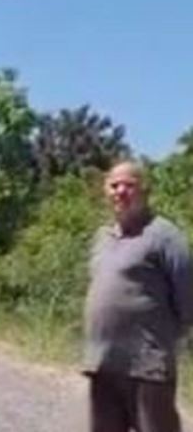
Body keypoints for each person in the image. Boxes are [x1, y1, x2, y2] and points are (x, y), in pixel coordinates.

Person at [84, 161, 193, 432]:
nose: (121, 191)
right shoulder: (102, 238)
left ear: (143, 191)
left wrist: (168, 339)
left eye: (129, 185)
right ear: (105, 191)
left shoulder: (164, 236)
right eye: (114, 185)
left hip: (147, 365)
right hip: (103, 362)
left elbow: (187, 295)